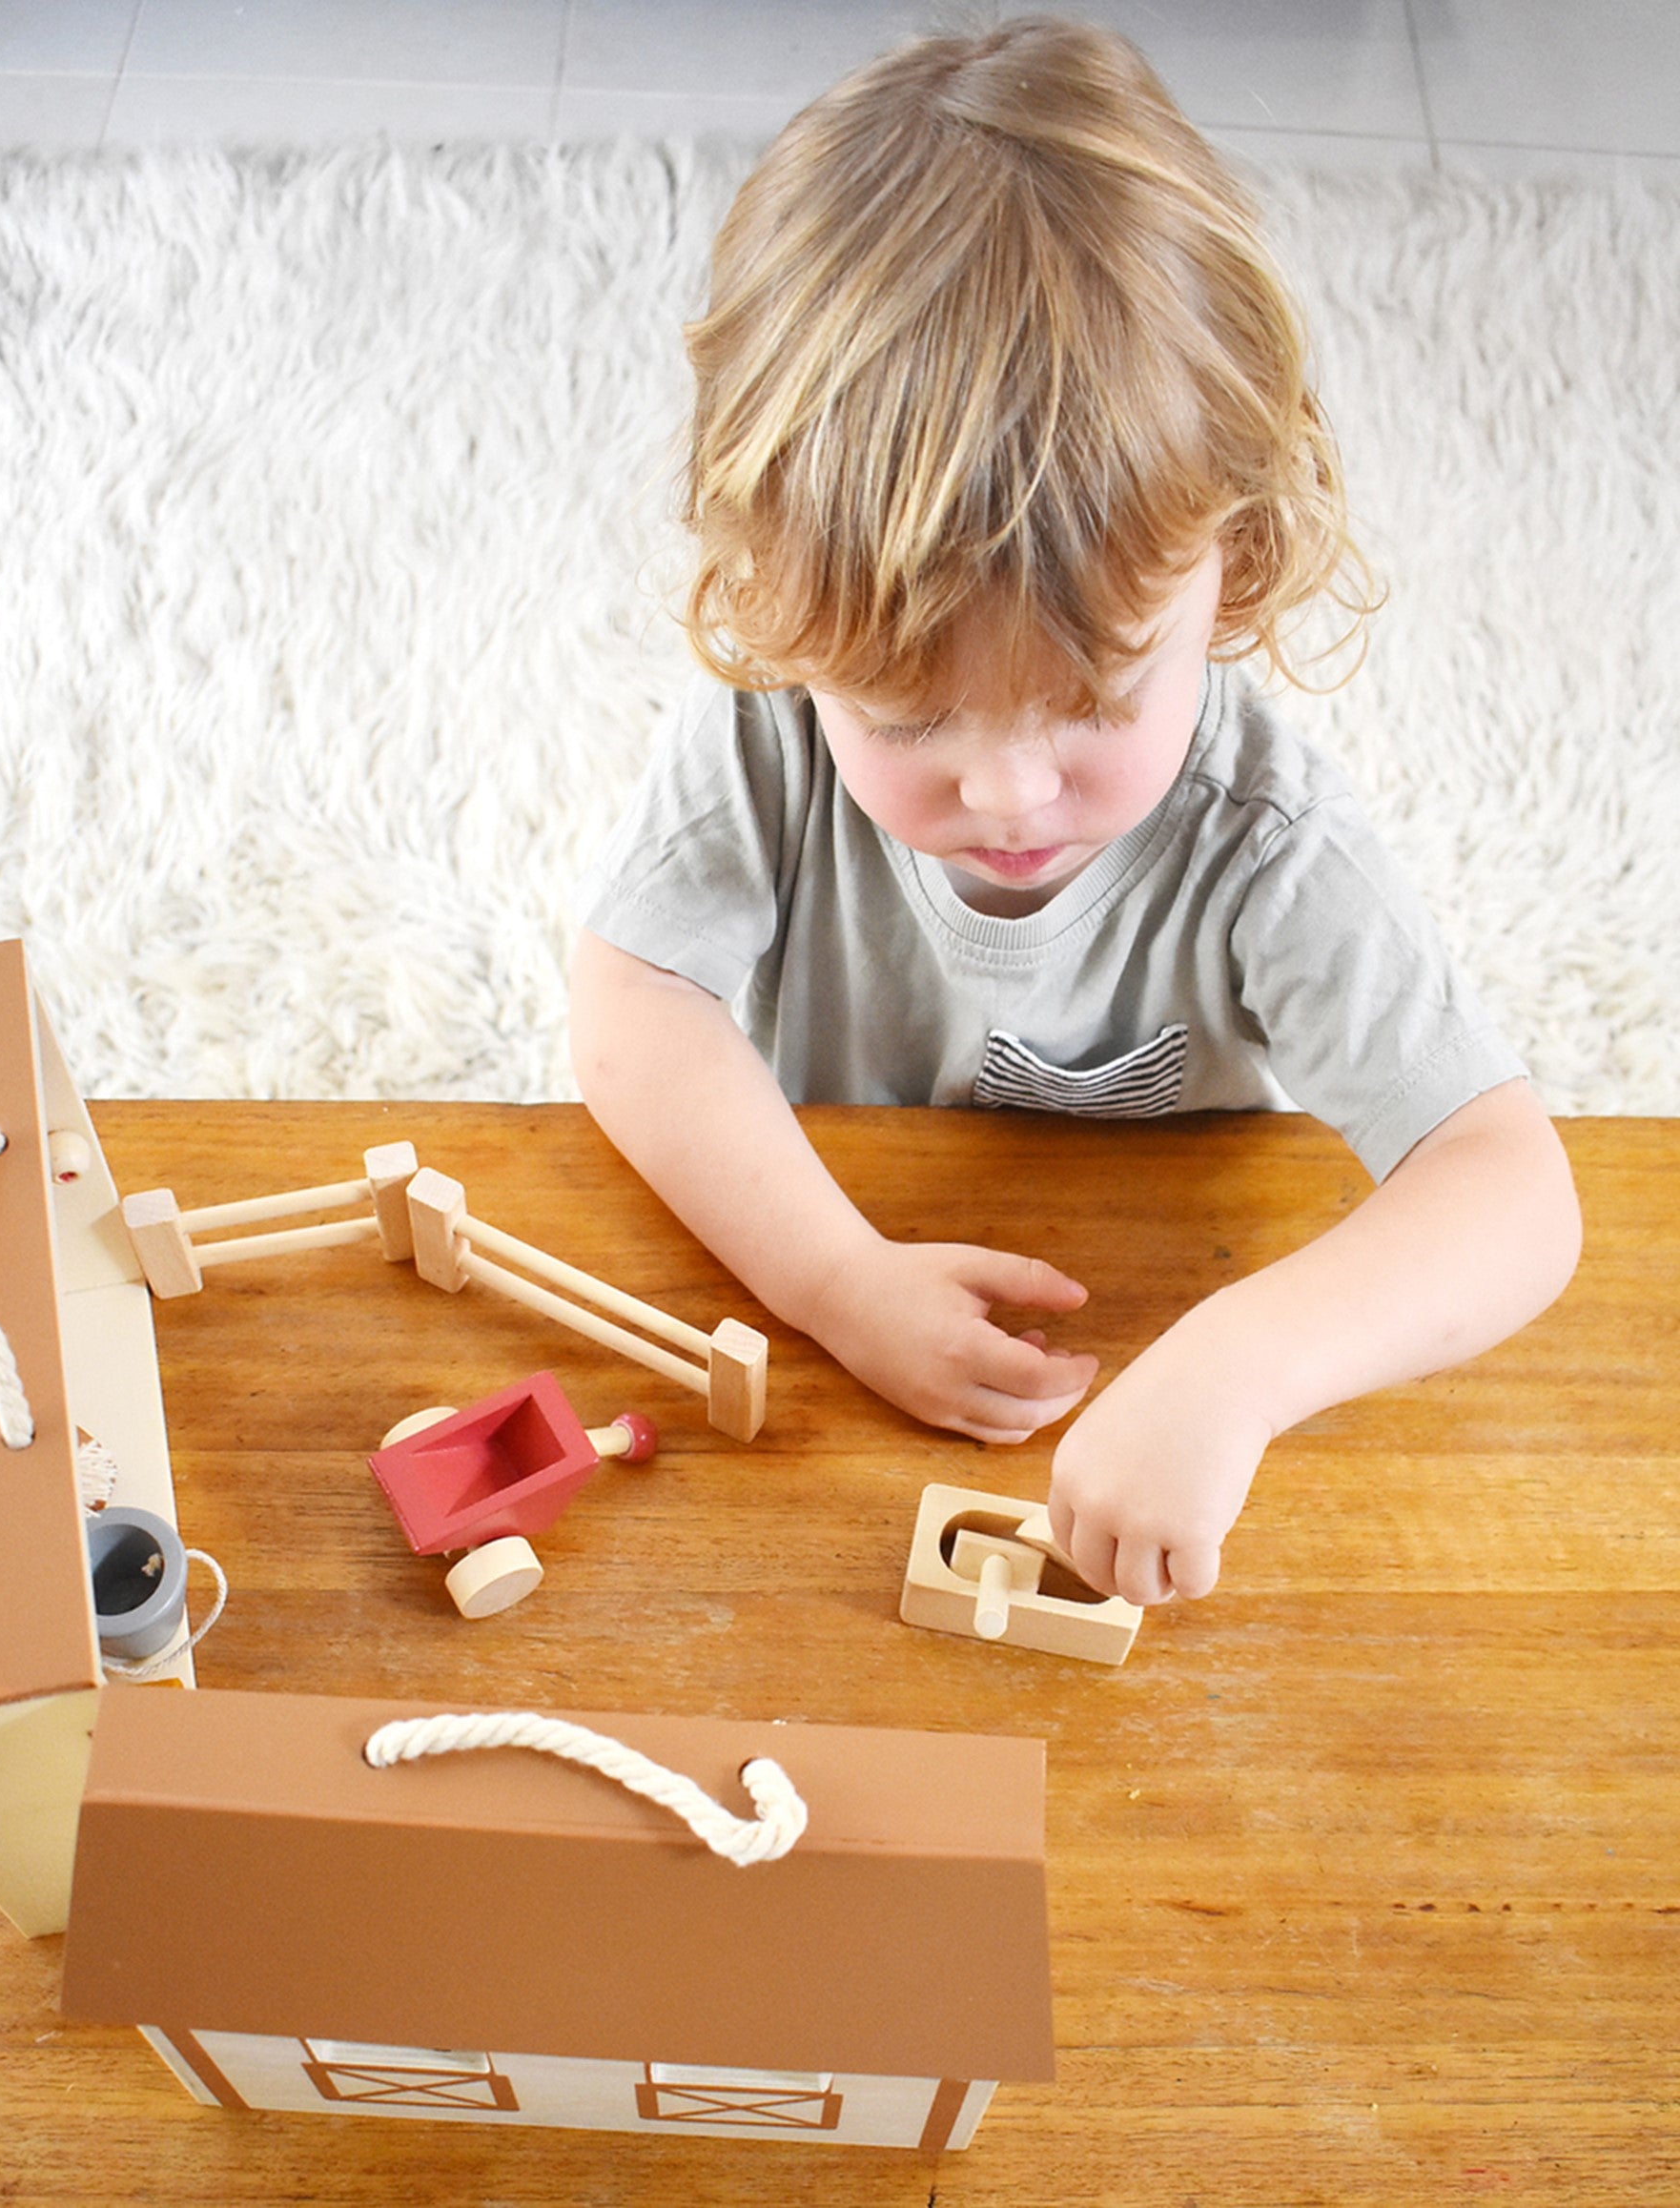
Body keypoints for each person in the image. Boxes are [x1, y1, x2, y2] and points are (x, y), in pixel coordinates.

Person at [567, 18, 1582, 1608]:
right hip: (846, 1249)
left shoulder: (1267, 842)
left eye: (1098, 703)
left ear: (1231, 569)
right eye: (906, 717)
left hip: (1165, 1302)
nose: (1009, 794)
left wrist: (1241, 1368)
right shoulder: (766, 731)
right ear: (777, 609)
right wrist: (834, 1280)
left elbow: (1511, 1192)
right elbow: (632, 1006)